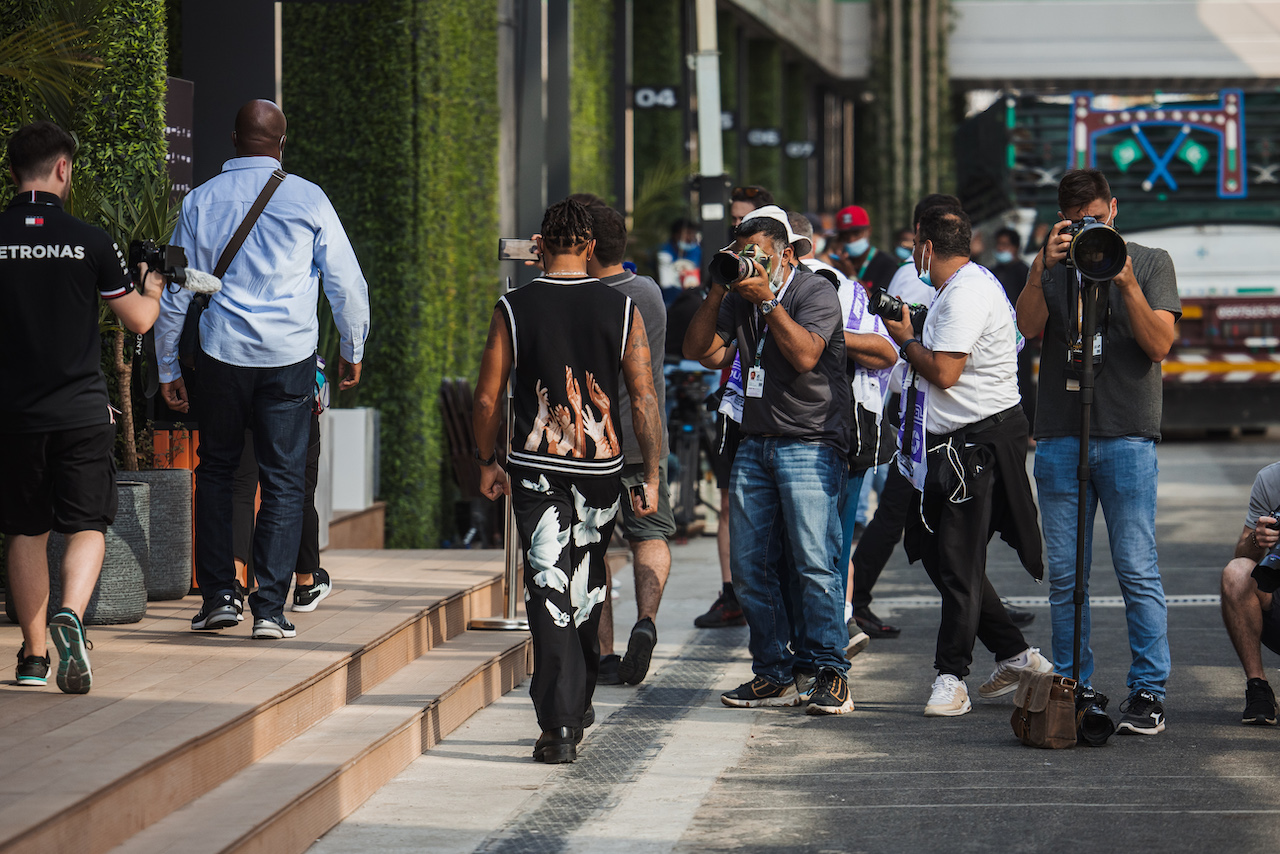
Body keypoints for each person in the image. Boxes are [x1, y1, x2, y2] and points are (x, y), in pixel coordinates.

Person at [156, 100, 370, 640]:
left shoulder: (200, 199)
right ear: (281, 143)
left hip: (221, 355)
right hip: (289, 358)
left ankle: (219, 597)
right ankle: (271, 610)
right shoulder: (308, 197)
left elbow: (179, 287)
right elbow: (346, 283)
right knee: (282, 479)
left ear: (233, 139)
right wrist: (352, 345)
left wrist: (166, 366)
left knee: (217, 471)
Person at [473, 198, 662, 764]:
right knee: (586, 576)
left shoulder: (514, 306)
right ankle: (572, 707)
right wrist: (649, 471)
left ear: (542, 245)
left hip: (535, 470)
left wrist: (488, 460)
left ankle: (560, 722)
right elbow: (645, 397)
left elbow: (487, 395)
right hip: (601, 469)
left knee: (546, 583)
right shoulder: (621, 308)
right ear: (587, 246)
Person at [1, 120, 165, 693]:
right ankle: (71, 610)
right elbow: (141, 319)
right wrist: (154, 284)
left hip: (15, 415)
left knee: (25, 530)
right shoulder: (89, 239)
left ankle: (32, 654)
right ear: (63, 168)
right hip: (82, 411)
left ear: (13, 170)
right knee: (87, 525)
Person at [1016, 168, 1180, 735]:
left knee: (1137, 568)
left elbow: (1159, 345)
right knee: (1068, 577)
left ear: (1114, 208)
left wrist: (1126, 280)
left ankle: (1149, 690)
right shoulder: (1052, 267)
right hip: (1062, 434)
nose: (1090, 228)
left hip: (1130, 434)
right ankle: (1072, 685)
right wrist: (1043, 265)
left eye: (1096, 217)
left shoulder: (1150, 260)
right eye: (1077, 221)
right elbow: (1028, 326)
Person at [683, 206, 854, 715]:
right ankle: (773, 670)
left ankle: (830, 672)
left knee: (814, 563)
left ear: (785, 254)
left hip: (811, 440)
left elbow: (805, 356)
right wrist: (720, 286)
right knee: (749, 567)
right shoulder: (739, 296)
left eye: (758, 254)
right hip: (755, 442)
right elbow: (702, 352)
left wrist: (770, 302)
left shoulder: (815, 290)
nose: (751, 263)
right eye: (743, 254)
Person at [882, 205, 1051, 717]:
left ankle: (951, 677)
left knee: (958, 562)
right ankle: (1018, 655)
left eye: (915, 245)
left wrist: (904, 337)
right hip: (944, 445)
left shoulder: (966, 294)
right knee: (935, 552)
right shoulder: (961, 286)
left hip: (975, 445)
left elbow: (945, 372)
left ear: (926, 247)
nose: (913, 253)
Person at [790, 211, 896, 659]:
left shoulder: (840, 287)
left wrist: (823, 333)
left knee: (828, 540)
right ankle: (817, 639)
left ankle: (832, 635)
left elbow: (886, 351)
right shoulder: (753, 292)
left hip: (839, 435)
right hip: (778, 435)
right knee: (808, 544)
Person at [583, 203, 675, 687]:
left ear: (587, 245)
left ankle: (602, 654)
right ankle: (647, 620)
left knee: (593, 548)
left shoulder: (579, 298)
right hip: (644, 442)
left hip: (590, 446)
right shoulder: (648, 293)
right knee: (650, 534)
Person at [693, 184, 777, 628]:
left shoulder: (804, 284)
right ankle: (732, 593)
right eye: (733, 224)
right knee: (731, 505)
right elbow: (703, 351)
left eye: (744, 223)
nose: (736, 231)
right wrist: (719, 289)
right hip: (736, 404)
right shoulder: (730, 277)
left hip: (786, 418)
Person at [1220, 462, 1280, 726]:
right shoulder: (1270, 479)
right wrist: (1258, 539)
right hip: (1275, 599)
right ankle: (1258, 688)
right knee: (1237, 573)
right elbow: (1243, 555)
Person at [986, 226, 1037, 435]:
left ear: (1015, 247)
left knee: (1024, 383)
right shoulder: (991, 272)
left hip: (1020, 336)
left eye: (1005, 245)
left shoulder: (1024, 272)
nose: (1001, 249)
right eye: (999, 245)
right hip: (996, 338)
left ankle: (1029, 429)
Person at [827, 205, 898, 295]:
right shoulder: (839, 264)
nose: (851, 240)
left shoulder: (888, 265)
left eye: (856, 233)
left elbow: (877, 306)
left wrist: (852, 276)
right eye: (845, 235)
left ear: (869, 231)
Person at [655, 218, 702, 304]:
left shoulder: (696, 251)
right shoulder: (665, 253)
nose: (689, 238)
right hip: (671, 301)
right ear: (675, 235)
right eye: (686, 234)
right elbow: (666, 283)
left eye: (692, 234)